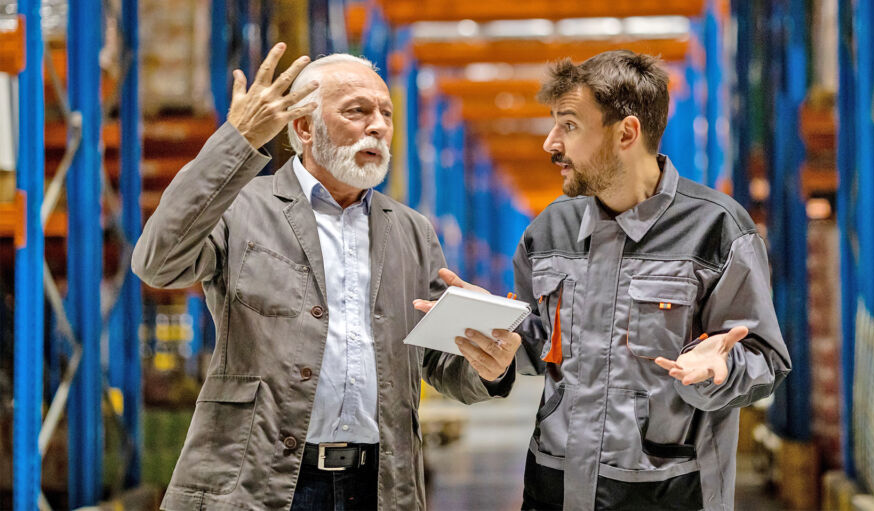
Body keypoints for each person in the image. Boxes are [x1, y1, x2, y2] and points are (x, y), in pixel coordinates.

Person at [132, 43, 517, 511]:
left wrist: (487, 365)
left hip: (377, 485)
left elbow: (438, 364)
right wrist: (236, 141)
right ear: (303, 128)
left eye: (386, 114)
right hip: (259, 482)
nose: (378, 125)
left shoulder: (411, 230)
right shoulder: (242, 208)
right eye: (357, 111)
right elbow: (158, 261)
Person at [416, 50, 791, 511]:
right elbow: (540, 344)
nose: (551, 143)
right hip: (553, 490)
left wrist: (721, 369)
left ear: (626, 133)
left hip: (669, 495)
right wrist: (493, 327)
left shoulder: (716, 231)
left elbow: (766, 361)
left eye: (569, 125)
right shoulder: (549, 231)